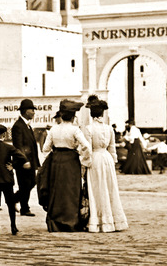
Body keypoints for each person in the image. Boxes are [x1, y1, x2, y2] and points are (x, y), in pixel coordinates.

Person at [39, 99, 91, 232]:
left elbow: (45, 148)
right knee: (71, 191)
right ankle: (71, 221)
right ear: (74, 117)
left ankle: (55, 221)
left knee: (56, 190)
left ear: (61, 116)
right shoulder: (75, 130)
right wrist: (83, 159)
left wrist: (52, 157)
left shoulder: (53, 129)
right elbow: (86, 146)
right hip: (71, 161)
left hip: (56, 161)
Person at [82, 95, 128, 232]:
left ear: (91, 114)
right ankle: (113, 220)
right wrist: (112, 163)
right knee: (109, 188)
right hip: (107, 159)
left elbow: (87, 149)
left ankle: (98, 221)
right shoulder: (109, 128)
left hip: (95, 159)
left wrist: (85, 164)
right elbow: (112, 148)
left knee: (96, 189)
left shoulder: (88, 129)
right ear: (102, 113)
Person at [0, 124, 30, 237]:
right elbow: (21, 157)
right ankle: (13, 227)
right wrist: (14, 165)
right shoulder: (9, 148)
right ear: (4, 134)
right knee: (10, 204)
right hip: (7, 180)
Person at [11, 99, 40, 217]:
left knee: (32, 182)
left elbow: (32, 146)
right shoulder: (18, 126)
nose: (34, 112)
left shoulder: (27, 126)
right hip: (23, 162)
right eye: (32, 110)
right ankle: (24, 208)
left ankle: (13, 200)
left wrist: (35, 162)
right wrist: (24, 160)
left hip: (30, 162)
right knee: (25, 184)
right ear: (25, 111)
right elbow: (18, 146)